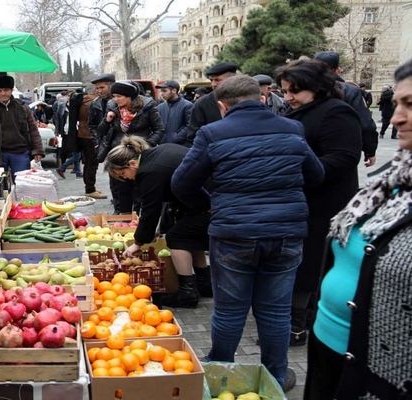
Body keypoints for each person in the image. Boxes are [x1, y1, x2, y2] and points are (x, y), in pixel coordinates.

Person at [171, 75, 325, 391]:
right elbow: (317, 175)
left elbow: (181, 183)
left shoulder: (212, 133)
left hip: (234, 235)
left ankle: (218, 378)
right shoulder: (292, 128)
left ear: (221, 105)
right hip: (286, 234)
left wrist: (210, 204)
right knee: (275, 312)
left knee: (229, 312)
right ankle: (276, 379)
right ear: (263, 98)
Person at [304, 58, 412, 400]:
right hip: (328, 351)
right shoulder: (390, 183)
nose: (395, 119)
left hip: (386, 376)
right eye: (397, 104)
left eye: (410, 105)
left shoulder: (337, 113)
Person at [275, 59, 362, 348]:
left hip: (326, 204)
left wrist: (295, 172)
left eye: (294, 91)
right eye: (285, 90)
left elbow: (344, 157)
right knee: (302, 262)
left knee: (312, 263)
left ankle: (298, 325)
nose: (288, 97)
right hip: (301, 200)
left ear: (316, 88)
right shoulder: (300, 111)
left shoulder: (337, 112)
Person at [105, 136, 209, 308]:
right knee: (189, 235)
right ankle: (205, 285)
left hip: (209, 203)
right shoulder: (158, 151)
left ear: (132, 164)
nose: (127, 179)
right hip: (205, 200)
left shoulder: (148, 172)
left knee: (177, 238)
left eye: (123, 174)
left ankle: (188, 293)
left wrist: (138, 243)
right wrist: (155, 230)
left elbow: (150, 210)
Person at [97, 80, 165, 214]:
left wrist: (145, 146)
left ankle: (138, 216)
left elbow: (159, 129)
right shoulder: (112, 106)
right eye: (114, 96)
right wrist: (107, 120)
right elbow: (101, 131)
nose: (115, 99)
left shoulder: (147, 106)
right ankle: (121, 215)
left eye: (119, 96)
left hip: (139, 153)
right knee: (119, 187)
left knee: (138, 187)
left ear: (129, 96)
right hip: (118, 153)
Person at [0, 75, 44, 177]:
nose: (3, 93)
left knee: (22, 182)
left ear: (11, 90)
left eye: (6, 90)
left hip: (20, 152)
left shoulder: (23, 107)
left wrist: (37, 150)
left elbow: (33, 130)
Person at [314, 51, 378, 167]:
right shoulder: (350, 90)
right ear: (338, 70)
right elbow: (365, 123)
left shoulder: (304, 88)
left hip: (310, 147)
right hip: (343, 148)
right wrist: (370, 150)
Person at [186, 62, 239, 144]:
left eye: (217, 80)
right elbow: (193, 135)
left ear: (231, 80)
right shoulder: (202, 104)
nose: (213, 84)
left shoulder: (244, 99)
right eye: (211, 80)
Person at [68, 87, 107, 199]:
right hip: (90, 135)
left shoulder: (84, 100)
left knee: (88, 163)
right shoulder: (92, 103)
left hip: (83, 133)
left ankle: (90, 187)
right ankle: (90, 189)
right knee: (92, 163)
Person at [87, 73, 117, 198]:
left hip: (120, 141)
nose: (99, 91)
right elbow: (92, 125)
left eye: (102, 87)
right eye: (97, 88)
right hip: (105, 143)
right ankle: (117, 202)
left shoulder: (120, 100)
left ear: (111, 86)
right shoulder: (95, 103)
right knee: (113, 173)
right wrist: (97, 141)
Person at [156, 80, 194, 145]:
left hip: (180, 146)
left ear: (174, 91)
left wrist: (176, 138)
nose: (162, 93)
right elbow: (157, 125)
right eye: (161, 91)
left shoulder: (187, 106)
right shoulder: (160, 107)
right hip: (162, 145)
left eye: (164, 91)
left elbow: (190, 126)